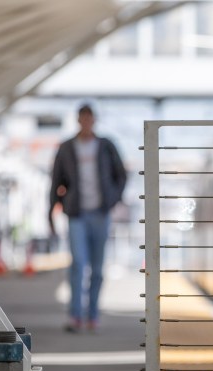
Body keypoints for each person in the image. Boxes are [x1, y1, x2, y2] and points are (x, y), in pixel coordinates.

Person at [49, 104, 127, 333]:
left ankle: (93, 314)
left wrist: (113, 199)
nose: (86, 123)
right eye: (82, 119)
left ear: (94, 120)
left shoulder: (106, 146)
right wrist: (50, 212)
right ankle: (75, 316)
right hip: (77, 214)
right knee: (78, 264)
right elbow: (55, 182)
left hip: (101, 214)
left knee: (98, 268)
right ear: (78, 121)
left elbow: (121, 175)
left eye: (89, 119)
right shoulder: (66, 148)